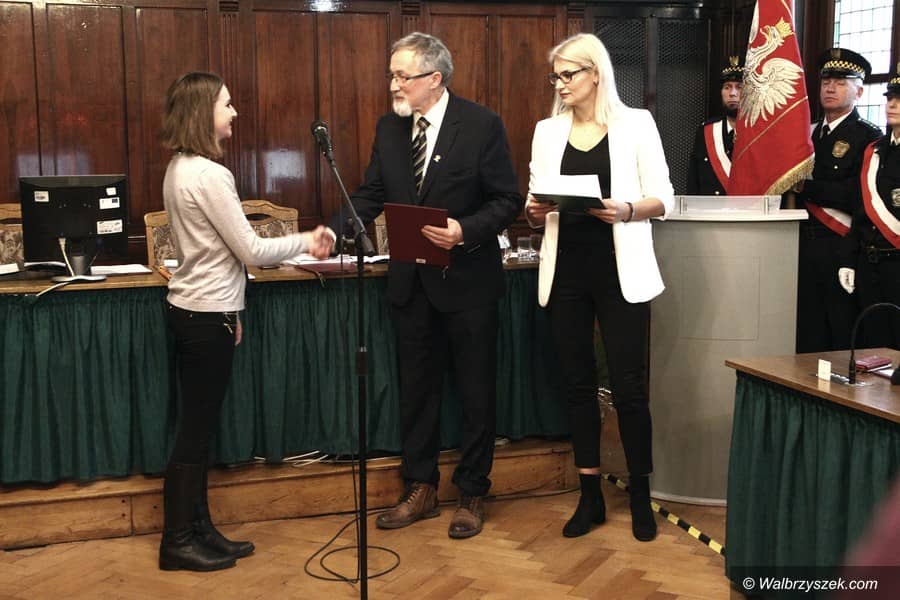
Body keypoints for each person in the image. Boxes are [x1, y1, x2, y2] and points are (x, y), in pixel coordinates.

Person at [329, 32, 521, 539]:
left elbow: (506, 201)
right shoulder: (390, 128)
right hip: (411, 285)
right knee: (416, 392)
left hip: (468, 283)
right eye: (392, 75)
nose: (394, 85)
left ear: (435, 78)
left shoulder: (480, 125)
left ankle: (472, 491)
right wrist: (338, 226)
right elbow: (372, 191)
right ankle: (421, 487)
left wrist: (464, 230)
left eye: (402, 76)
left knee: (476, 393)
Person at [159, 71, 333, 571]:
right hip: (205, 314)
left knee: (198, 430)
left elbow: (216, 254)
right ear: (203, 113)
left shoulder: (178, 168)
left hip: (197, 310)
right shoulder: (210, 175)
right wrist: (307, 241)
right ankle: (177, 541)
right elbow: (251, 251)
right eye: (226, 104)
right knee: (195, 434)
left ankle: (200, 530)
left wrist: (231, 311)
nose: (234, 112)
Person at [525, 33, 674, 541]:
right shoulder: (547, 131)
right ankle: (589, 494)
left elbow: (664, 198)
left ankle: (640, 494)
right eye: (556, 76)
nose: (560, 84)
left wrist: (626, 209)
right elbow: (534, 206)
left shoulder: (636, 124)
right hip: (565, 270)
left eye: (569, 74)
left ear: (596, 73)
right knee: (577, 386)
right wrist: (534, 210)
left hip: (619, 271)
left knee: (629, 388)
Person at [793, 48, 881, 353]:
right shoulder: (807, 134)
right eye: (826, 81)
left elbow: (856, 194)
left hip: (839, 245)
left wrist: (805, 187)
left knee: (839, 330)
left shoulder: (867, 137)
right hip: (801, 242)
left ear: (859, 91)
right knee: (806, 329)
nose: (830, 88)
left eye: (841, 82)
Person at [837, 69, 900, 349]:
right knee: (874, 346)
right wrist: (848, 259)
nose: (892, 105)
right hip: (869, 262)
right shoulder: (875, 151)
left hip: (897, 262)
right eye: (890, 98)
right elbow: (861, 211)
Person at [686, 57, 744, 195]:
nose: (733, 93)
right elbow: (694, 183)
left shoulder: (759, 134)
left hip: (748, 208)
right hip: (711, 208)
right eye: (727, 87)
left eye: (739, 87)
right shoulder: (706, 131)